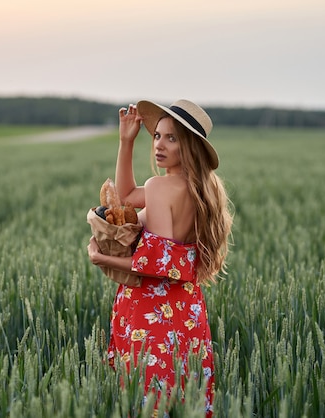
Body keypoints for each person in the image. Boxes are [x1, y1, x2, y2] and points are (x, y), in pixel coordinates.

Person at [87, 99, 233, 416]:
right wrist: (127, 141)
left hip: (150, 316)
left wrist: (103, 259)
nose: (159, 145)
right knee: (185, 402)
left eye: (172, 138)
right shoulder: (200, 190)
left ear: (190, 146)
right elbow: (125, 199)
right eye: (157, 136)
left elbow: (158, 265)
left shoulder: (159, 186)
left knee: (146, 403)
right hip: (187, 313)